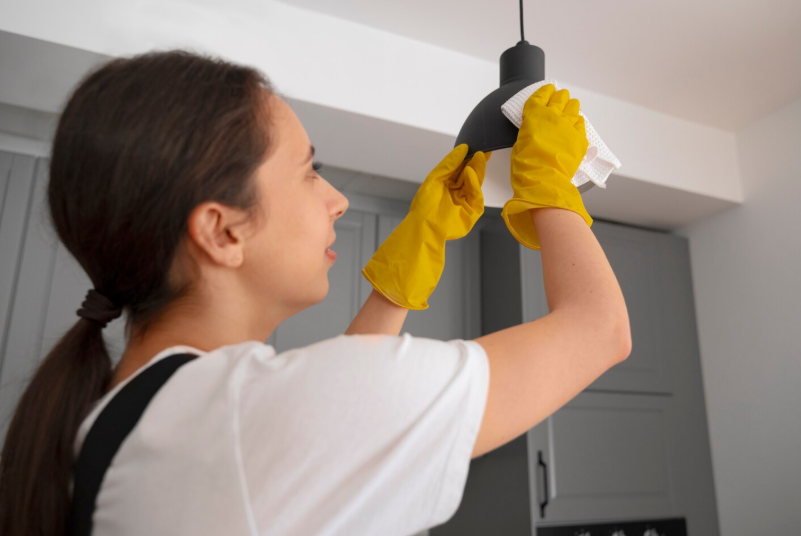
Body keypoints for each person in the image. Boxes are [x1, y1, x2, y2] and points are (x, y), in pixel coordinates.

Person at [0, 49, 630, 536]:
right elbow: (599, 329)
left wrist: (412, 259)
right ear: (221, 231)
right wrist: (548, 188)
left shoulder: (139, 413)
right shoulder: (242, 420)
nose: (337, 200)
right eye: (309, 173)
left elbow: (321, 427)